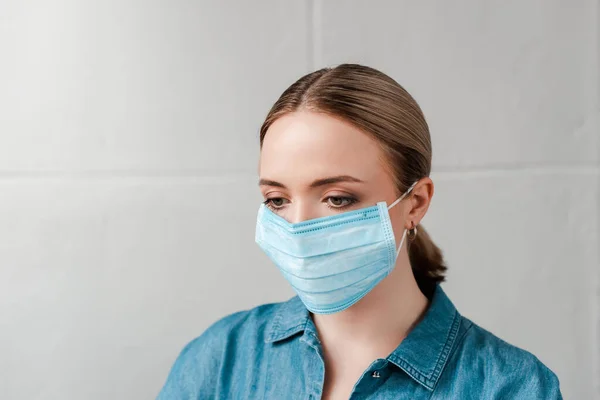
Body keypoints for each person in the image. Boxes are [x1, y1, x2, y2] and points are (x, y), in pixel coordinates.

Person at [157, 64, 562, 399]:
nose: (298, 227)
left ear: (415, 202)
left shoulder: (511, 386)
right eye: (277, 200)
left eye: (336, 198)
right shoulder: (222, 359)